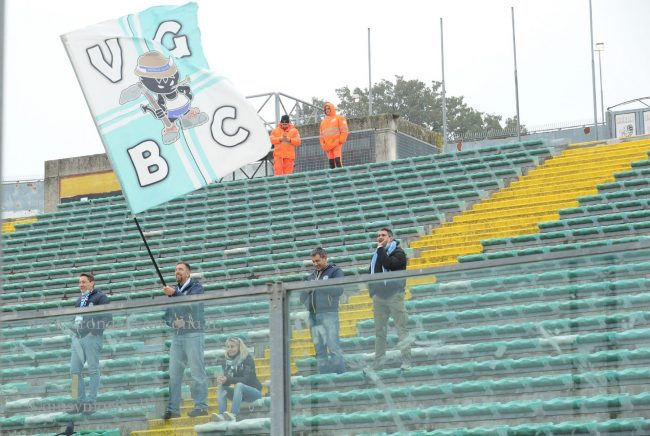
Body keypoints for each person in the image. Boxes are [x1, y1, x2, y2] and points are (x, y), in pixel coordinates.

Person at [162, 262, 209, 419]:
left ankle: (201, 406)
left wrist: (174, 294)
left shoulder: (197, 287)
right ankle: (173, 409)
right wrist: (173, 322)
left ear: (188, 273)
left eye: (180, 269)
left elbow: (192, 305)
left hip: (194, 334)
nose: (177, 272)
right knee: (174, 374)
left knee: (197, 371)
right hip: (177, 335)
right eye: (176, 270)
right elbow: (167, 316)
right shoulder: (174, 291)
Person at [368, 228, 412, 370]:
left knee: (401, 329)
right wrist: (373, 292)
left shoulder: (399, 253)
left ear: (391, 238)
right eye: (378, 235)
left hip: (394, 296)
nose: (380, 237)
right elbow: (371, 274)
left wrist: (380, 249)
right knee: (379, 332)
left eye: (383, 235)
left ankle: (407, 361)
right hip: (379, 298)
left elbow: (388, 264)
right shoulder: (376, 255)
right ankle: (378, 363)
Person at [69, 273, 111, 414]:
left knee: (93, 370)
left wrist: (94, 332)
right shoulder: (78, 300)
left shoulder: (101, 297)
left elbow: (108, 318)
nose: (81, 285)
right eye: (79, 282)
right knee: (74, 371)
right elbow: (75, 318)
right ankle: (78, 402)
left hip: (91, 337)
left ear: (92, 283)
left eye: (84, 282)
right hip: (77, 338)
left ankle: (91, 403)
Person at [300, 247, 346, 374]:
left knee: (333, 348)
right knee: (319, 351)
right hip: (313, 317)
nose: (315, 264)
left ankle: (342, 377)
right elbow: (302, 297)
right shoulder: (311, 276)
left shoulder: (335, 271)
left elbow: (339, 290)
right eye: (313, 262)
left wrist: (319, 285)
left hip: (329, 314)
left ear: (325, 258)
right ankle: (324, 379)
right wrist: (307, 300)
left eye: (317, 261)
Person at [215, 337, 263, 422]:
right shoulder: (226, 361)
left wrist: (228, 379)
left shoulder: (247, 359)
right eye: (228, 347)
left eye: (232, 346)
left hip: (254, 393)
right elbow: (228, 382)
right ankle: (221, 415)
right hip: (239, 394)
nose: (230, 349)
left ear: (239, 347)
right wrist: (223, 380)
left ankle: (233, 414)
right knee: (221, 388)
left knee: (239, 385)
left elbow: (246, 380)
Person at [319, 102, 349, 169]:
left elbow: (344, 130)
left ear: (332, 108)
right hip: (328, 145)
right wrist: (323, 144)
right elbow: (321, 135)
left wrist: (341, 140)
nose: (327, 110)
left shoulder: (339, 118)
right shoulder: (323, 122)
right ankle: (334, 174)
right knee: (331, 163)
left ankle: (341, 174)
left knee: (338, 161)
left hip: (336, 143)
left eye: (328, 108)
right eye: (326, 109)